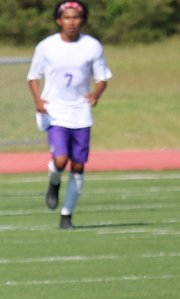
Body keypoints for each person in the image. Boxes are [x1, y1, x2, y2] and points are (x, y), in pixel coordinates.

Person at [27, 0, 111, 230]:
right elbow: (33, 77)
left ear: (82, 20)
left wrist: (97, 93)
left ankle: (67, 215)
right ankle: (54, 182)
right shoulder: (46, 46)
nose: (71, 22)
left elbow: (102, 77)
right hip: (55, 111)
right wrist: (38, 100)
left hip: (81, 113)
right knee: (61, 160)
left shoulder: (92, 46)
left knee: (78, 167)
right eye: (67, 17)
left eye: (76, 17)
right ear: (58, 20)